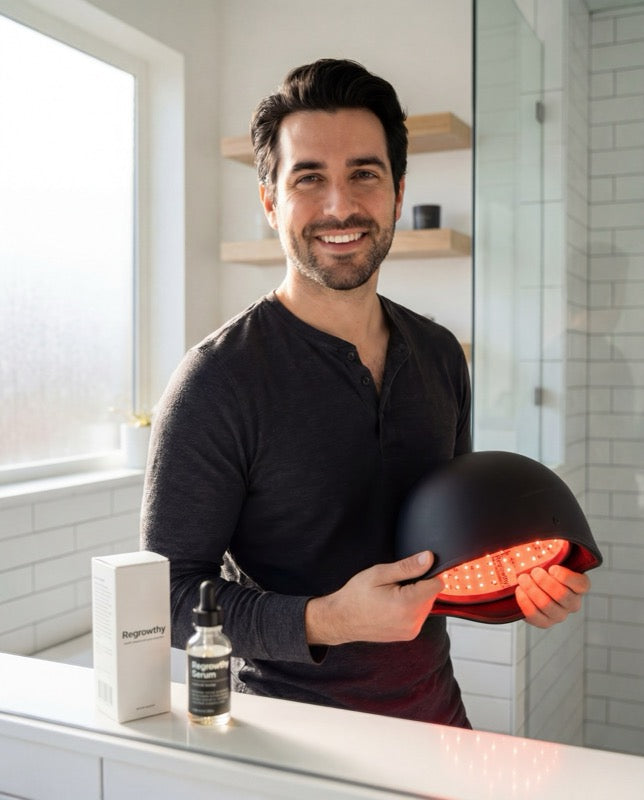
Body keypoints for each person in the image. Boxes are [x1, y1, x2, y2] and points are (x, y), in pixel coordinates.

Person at [141, 58, 590, 727]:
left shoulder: (440, 356)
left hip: (438, 720)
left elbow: (439, 556)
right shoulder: (217, 381)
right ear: (269, 201)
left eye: (364, 174)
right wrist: (325, 618)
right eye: (309, 177)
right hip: (290, 742)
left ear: (398, 193)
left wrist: (513, 586)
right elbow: (162, 600)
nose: (340, 206)